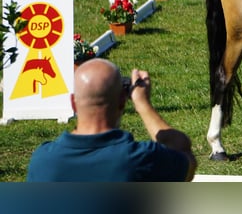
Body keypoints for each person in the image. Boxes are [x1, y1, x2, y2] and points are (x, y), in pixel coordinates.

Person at [27, 59, 196, 181]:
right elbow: (184, 157)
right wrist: (143, 104)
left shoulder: (42, 160)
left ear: (73, 103)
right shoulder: (141, 158)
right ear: (122, 101)